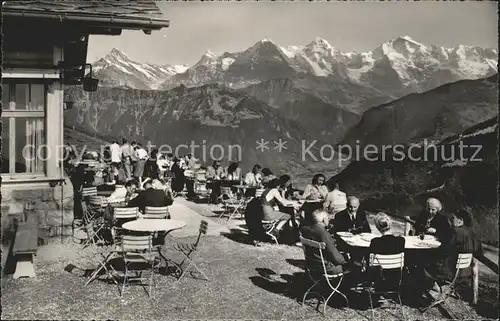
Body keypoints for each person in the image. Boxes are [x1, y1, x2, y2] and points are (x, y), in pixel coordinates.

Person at [424, 209, 483, 287]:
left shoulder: (455, 232)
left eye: (452, 218)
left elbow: (444, 251)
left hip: (450, 273)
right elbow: (479, 253)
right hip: (466, 273)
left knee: (423, 264)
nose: (450, 220)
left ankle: (427, 290)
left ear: (460, 220)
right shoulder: (472, 233)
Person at [367, 213, 406, 306]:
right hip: (396, 275)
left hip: (379, 276)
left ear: (377, 227)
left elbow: (371, 260)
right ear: (390, 225)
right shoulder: (401, 241)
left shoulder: (375, 242)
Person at [300, 210, 351, 275]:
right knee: (353, 265)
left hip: (312, 264)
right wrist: (345, 262)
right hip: (326, 267)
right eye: (328, 218)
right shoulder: (322, 233)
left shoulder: (305, 229)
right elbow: (334, 254)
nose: (329, 220)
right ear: (323, 220)